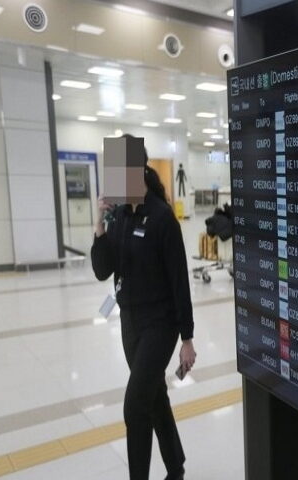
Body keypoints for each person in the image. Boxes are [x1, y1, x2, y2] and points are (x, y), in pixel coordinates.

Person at [91, 135, 196, 480]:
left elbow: (179, 282)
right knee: (153, 395)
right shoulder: (120, 217)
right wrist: (99, 224)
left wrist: (187, 339)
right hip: (130, 323)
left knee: (135, 405)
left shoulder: (163, 219)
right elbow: (102, 270)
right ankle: (176, 466)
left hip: (160, 324)